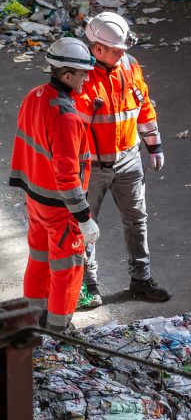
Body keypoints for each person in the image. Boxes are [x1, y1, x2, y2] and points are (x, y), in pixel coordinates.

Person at [75, 11, 171, 305]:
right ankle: (87, 286)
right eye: (116, 50)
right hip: (90, 165)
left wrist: (154, 144)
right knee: (84, 226)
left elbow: (143, 106)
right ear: (97, 48)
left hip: (128, 158)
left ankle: (141, 280)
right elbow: (69, 127)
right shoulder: (79, 75)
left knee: (137, 220)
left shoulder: (129, 65)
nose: (121, 54)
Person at [9, 38, 100, 331]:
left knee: (39, 261)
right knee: (66, 271)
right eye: (83, 74)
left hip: (35, 200)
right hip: (61, 210)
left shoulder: (35, 96)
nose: (87, 80)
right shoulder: (66, 117)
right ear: (67, 74)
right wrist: (84, 218)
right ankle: (60, 332)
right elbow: (67, 176)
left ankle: (33, 321)